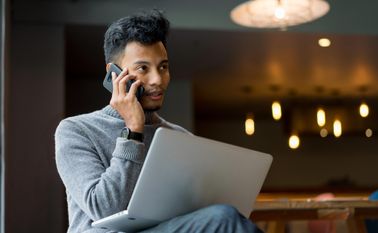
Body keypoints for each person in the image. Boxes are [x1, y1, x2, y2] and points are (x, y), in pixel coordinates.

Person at [55, 10, 263, 233]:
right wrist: (133, 132)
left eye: (163, 67)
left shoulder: (179, 137)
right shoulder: (76, 130)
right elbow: (103, 208)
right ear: (114, 73)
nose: (157, 80)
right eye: (143, 68)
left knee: (223, 216)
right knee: (223, 218)